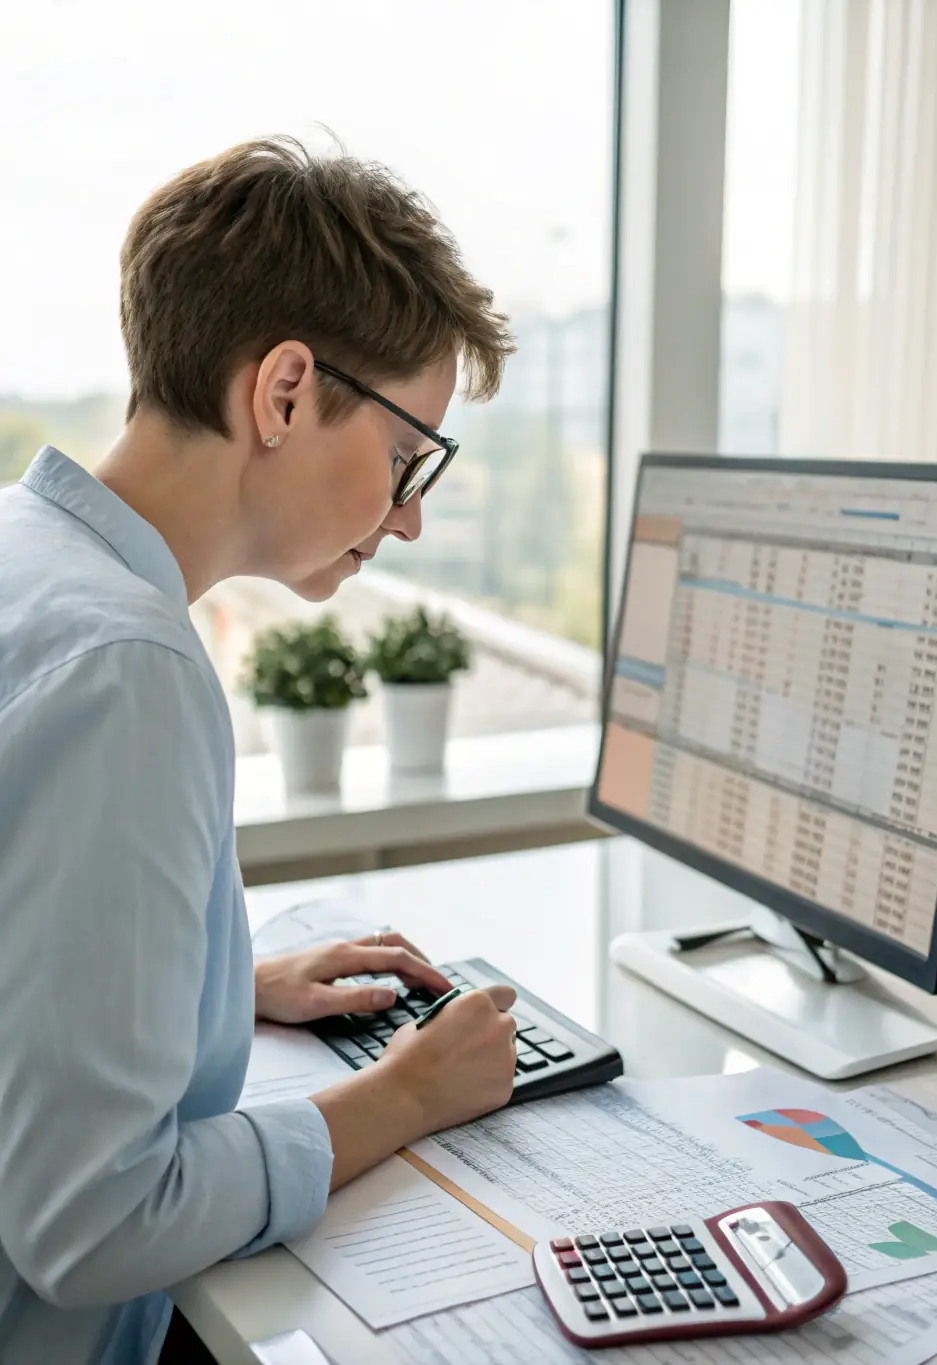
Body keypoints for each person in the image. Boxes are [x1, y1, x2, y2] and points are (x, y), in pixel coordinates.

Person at [0, 135, 518, 1365]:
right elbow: (91, 1218)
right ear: (284, 391)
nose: (409, 514)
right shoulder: (130, 673)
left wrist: (201, 991)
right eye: (404, 457)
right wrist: (399, 1096)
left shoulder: (29, 558)